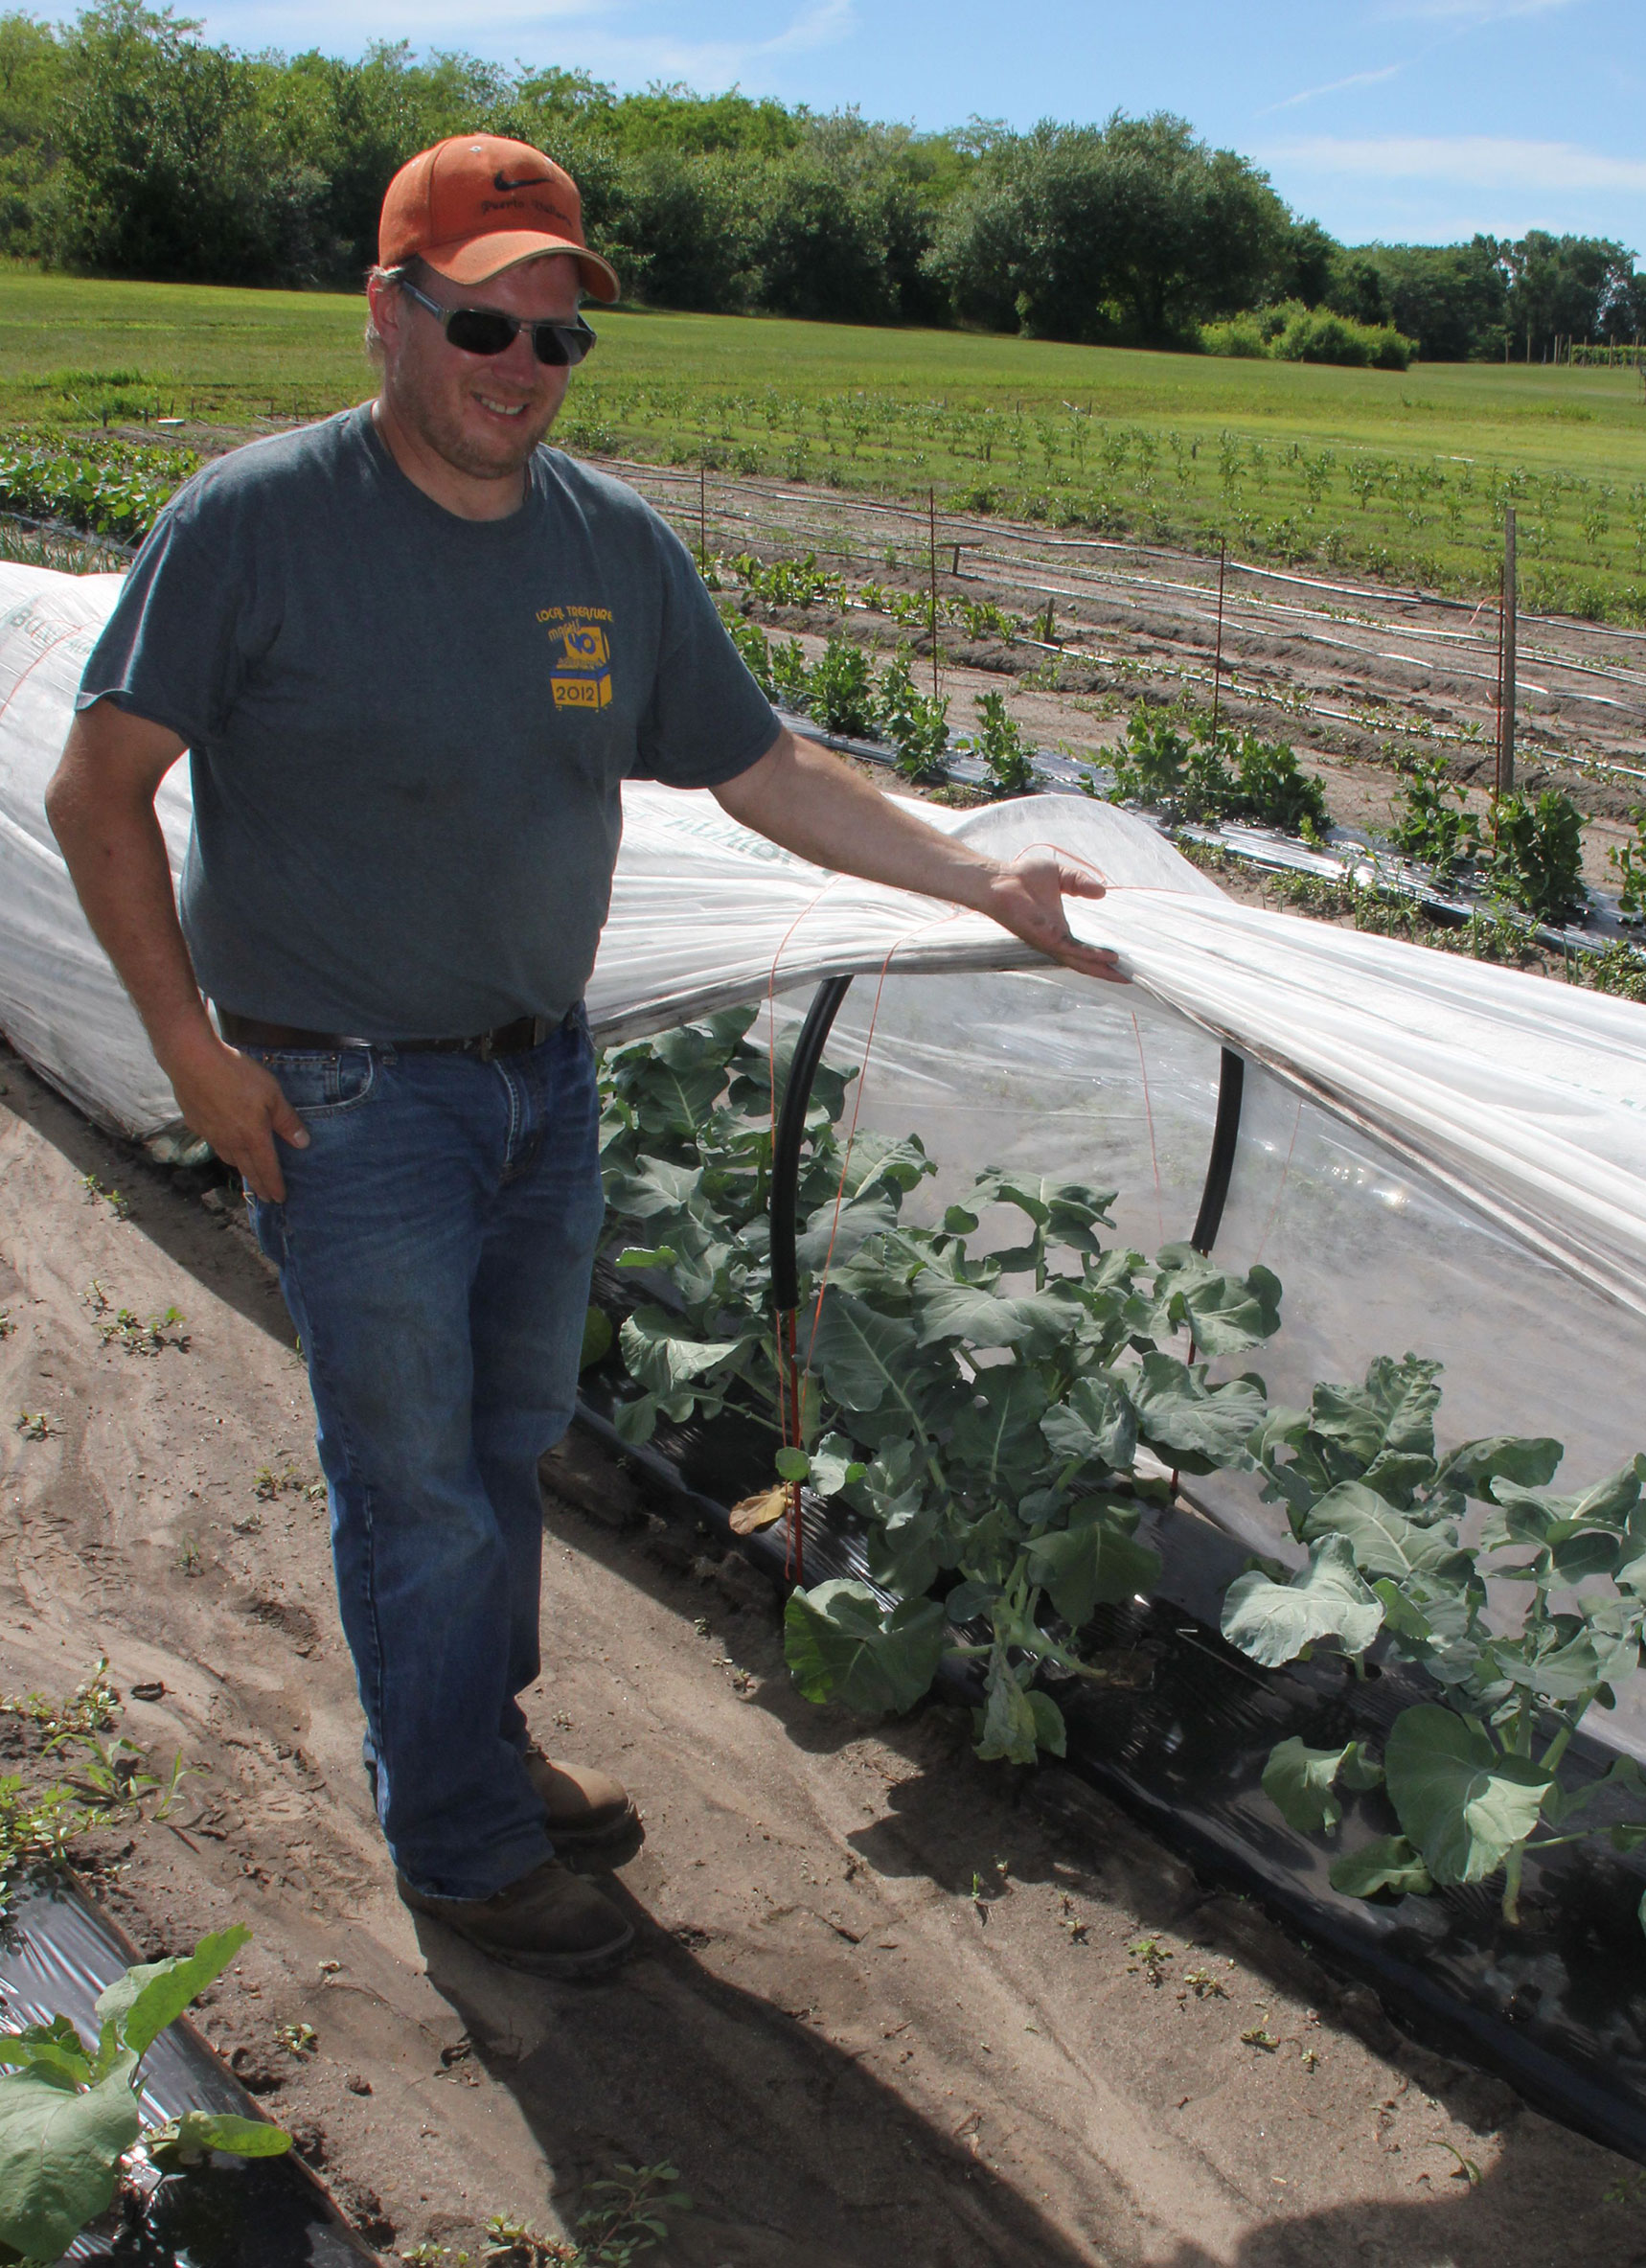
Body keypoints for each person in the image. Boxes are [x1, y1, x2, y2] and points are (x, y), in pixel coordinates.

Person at [44, 132, 1122, 1979]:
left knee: (507, 1440)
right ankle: (458, 1846)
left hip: (542, 1078)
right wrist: (189, 1050)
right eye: (483, 326)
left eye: (557, 341)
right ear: (388, 316)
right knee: (415, 1482)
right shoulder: (257, 524)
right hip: (343, 1091)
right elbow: (97, 792)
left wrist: (976, 871)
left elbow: (762, 767)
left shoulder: (610, 547)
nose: (520, 374)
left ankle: (481, 1738)